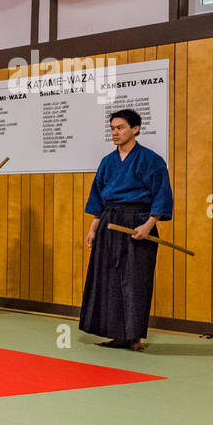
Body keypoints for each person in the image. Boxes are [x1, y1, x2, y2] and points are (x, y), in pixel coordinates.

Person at [80, 109, 174, 351]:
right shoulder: (107, 162)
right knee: (108, 279)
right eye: (112, 128)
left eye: (120, 128)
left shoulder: (151, 160)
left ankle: (134, 336)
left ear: (135, 129)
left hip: (138, 222)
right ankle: (116, 334)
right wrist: (93, 228)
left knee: (135, 280)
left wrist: (148, 225)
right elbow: (98, 198)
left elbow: (161, 196)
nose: (115, 133)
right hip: (109, 223)